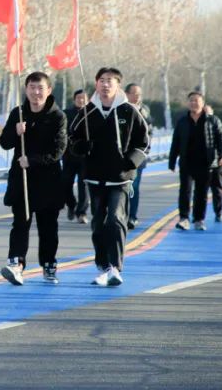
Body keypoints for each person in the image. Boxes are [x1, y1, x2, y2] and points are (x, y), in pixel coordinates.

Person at [69, 67, 150, 287]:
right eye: (102, 80)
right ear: (96, 84)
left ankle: (115, 267)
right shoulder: (87, 112)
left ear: (118, 85)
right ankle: (103, 266)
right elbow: (72, 139)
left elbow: (144, 142)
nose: (105, 85)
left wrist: (129, 162)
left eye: (110, 81)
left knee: (115, 219)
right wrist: (81, 147)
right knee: (98, 223)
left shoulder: (129, 111)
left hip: (120, 178)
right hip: (95, 177)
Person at [0, 71, 68, 286]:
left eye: (40, 88)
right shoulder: (18, 113)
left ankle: (49, 264)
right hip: (22, 180)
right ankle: (16, 264)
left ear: (48, 90)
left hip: (48, 181)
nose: (36, 92)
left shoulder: (57, 117)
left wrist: (33, 160)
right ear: (26, 89)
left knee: (48, 227)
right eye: (32, 87)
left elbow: (59, 150)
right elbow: (4, 142)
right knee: (20, 223)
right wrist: (15, 132)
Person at [168, 91, 222, 230]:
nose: (193, 103)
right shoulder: (182, 121)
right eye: (191, 100)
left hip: (206, 162)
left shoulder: (213, 120)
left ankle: (199, 219)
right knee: (185, 191)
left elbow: (221, 139)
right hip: (187, 162)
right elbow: (176, 142)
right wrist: (172, 160)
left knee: (201, 193)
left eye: (196, 100)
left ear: (203, 103)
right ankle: (184, 218)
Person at [124, 83, 153, 230]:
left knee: (133, 187)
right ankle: (120, 215)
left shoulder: (144, 112)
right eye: (134, 93)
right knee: (121, 188)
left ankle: (132, 217)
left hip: (137, 158)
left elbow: (149, 136)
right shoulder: (120, 109)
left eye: (139, 94)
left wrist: (142, 155)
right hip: (121, 157)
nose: (137, 96)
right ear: (126, 94)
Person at [62, 90, 90, 224]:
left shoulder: (91, 114)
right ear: (74, 100)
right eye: (79, 98)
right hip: (69, 155)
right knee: (65, 184)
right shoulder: (66, 114)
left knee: (83, 186)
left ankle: (81, 212)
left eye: (84, 98)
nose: (81, 100)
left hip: (85, 157)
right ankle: (71, 205)